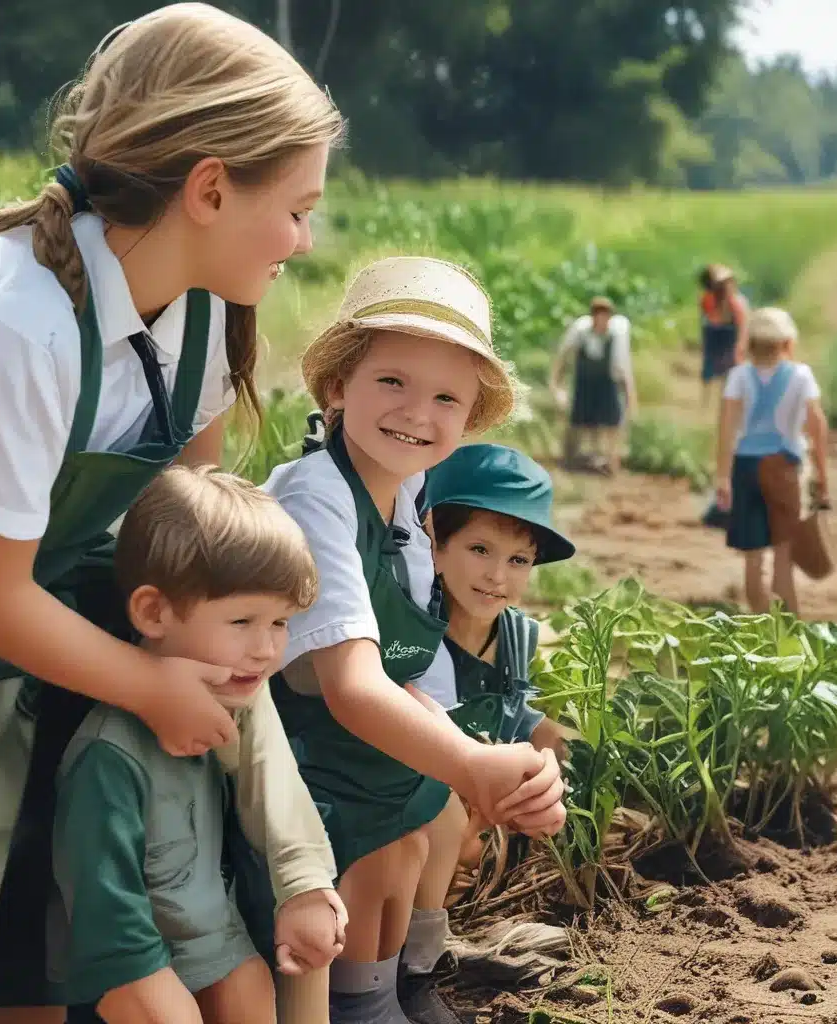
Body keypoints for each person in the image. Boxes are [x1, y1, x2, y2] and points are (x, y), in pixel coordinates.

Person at [0, 5, 343, 1023]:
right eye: (294, 206)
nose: (305, 238)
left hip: (44, 614)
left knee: (34, 916)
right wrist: (153, 686)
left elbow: (181, 545)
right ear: (207, 188)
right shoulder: (14, 322)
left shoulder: (195, 315)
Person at [247, 256, 567, 1024]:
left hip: (351, 743)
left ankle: (392, 988)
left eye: (447, 397)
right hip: (283, 745)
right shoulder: (317, 493)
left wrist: (492, 764)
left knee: (418, 834)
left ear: (470, 418)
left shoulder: (409, 494)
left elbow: (412, 669)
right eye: (392, 381)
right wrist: (471, 762)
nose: (417, 413)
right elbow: (350, 688)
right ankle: (362, 1003)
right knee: (377, 843)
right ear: (337, 388)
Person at [50, 466, 345, 1024]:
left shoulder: (235, 695)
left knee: (251, 989)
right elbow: (105, 909)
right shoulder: (108, 755)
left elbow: (272, 785)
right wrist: (141, 982)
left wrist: (304, 890)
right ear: (154, 612)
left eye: (281, 623)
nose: (265, 650)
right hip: (132, 959)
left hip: (213, 941)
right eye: (242, 620)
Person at [401, 443, 579, 1022]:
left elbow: (537, 728)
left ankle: (456, 926)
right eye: (479, 549)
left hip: (482, 823)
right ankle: (411, 968)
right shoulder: (413, 631)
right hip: (416, 818)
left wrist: (548, 774)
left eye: (519, 561)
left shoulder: (521, 639)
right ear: (437, 542)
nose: (497, 576)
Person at [715, 308, 829, 616]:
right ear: (787, 341)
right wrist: (822, 473)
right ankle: (786, 631)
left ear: (751, 341)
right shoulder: (800, 376)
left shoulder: (739, 376)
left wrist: (722, 476)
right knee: (782, 555)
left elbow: (726, 428)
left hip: (747, 467)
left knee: (753, 558)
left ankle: (759, 626)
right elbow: (817, 426)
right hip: (785, 467)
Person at [549, 296, 637, 474]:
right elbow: (563, 355)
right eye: (599, 316)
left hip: (606, 381)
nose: (603, 320)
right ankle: (576, 459)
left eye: (606, 316)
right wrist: (556, 383)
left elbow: (623, 367)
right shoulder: (580, 331)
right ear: (594, 317)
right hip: (585, 382)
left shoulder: (616, 335)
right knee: (581, 422)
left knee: (612, 421)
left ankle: (611, 460)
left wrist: (631, 396)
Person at [700, 264, 749, 405]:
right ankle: (707, 402)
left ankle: (725, 401)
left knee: (729, 373)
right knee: (711, 371)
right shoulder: (709, 299)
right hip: (717, 335)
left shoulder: (736, 303)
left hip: (728, 337)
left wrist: (741, 344)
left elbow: (742, 325)